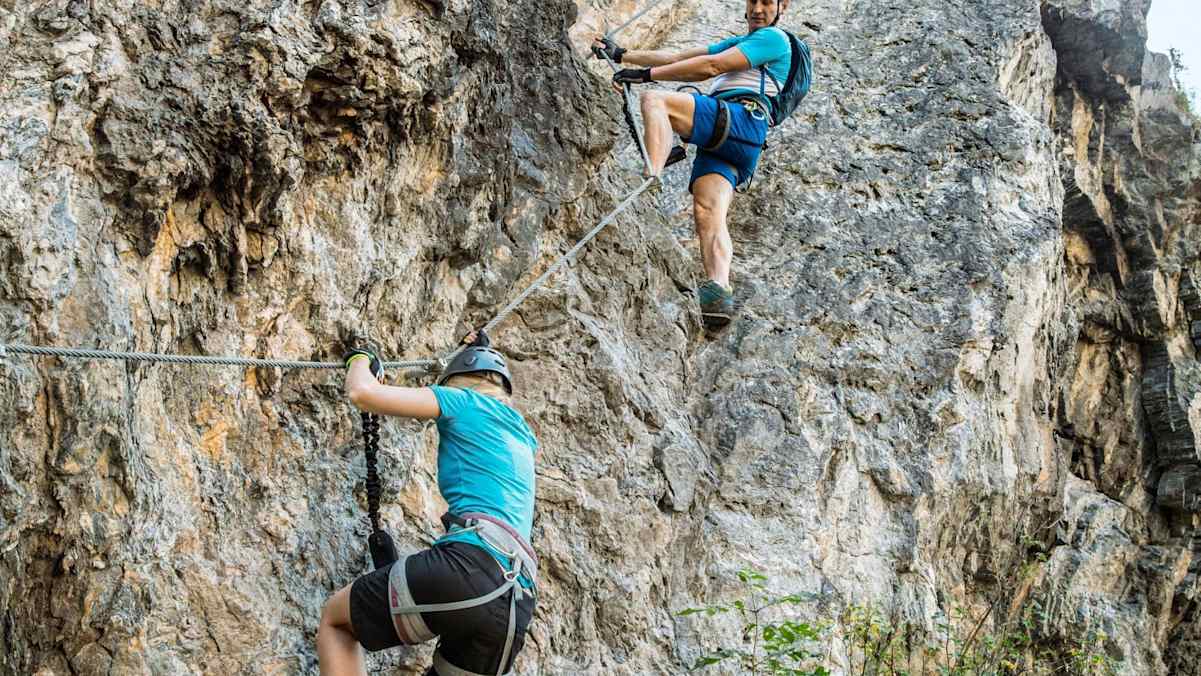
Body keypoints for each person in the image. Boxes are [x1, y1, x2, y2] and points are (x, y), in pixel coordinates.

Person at [317, 331, 539, 676]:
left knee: (337, 622)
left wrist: (360, 359)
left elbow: (363, 393)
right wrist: (478, 348)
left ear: (456, 383)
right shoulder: (524, 435)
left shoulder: (463, 401)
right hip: (517, 602)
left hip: (471, 566)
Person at [593, 0, 794, 331]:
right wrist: (622, 55)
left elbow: (712, 67)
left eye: (767, 2)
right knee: (708, 213)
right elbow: (677, 58)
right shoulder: (741, 44)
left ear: (782, 6)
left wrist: (644, 77)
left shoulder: (774, 38)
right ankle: (718, 292)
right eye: (754, 1)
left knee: (655, 99)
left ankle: (653, 171)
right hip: (738, 141)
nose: (758, 8)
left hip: (739, 119)